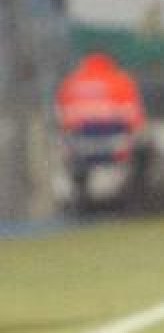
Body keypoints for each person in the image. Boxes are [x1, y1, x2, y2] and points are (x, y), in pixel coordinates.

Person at [56, 52, 149, 214]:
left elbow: (62, 121)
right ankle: (135, 203)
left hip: (81, 148)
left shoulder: (71, 83)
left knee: (75, 162)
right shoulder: (120, 81)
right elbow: (135, 119)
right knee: (143, 152)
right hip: (116, 146)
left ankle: (81, 203)